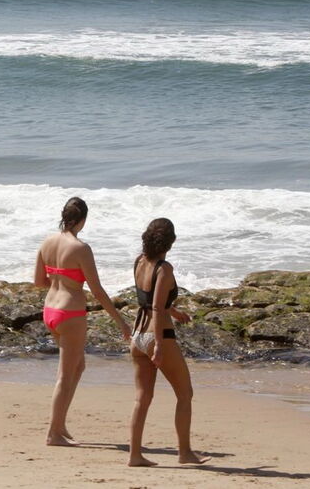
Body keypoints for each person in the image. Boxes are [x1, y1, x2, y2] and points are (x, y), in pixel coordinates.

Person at [34, 196, 133, 446]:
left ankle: (60, 425)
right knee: (65, 375)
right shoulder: (81, 249)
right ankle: (53, 433)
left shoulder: (47, 243)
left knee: (78, 367)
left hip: (50, 310)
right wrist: (121, 321)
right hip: (70, 313)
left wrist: (60, 280)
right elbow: (97, 291)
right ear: (83, 219)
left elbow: (38, 281)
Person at [128, 218, 209, 467]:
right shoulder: (164, 268)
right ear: (171, 242)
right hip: (157, 335)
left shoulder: (139, 261)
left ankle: (135, 455)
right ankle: (185, 453)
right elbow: (155, 306)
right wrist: (160, 346)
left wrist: (174, 311)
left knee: (142, 398)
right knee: (185, 393)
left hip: (137, 335)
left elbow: (148, 298)